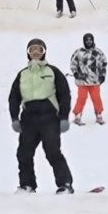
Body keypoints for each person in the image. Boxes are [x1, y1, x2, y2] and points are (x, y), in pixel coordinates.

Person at [8, 38, 74, 194]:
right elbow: (14, 97)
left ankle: (65, 184)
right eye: (32, 50)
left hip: (49, 117)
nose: (36, 53)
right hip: (29, 118)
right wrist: (14, 118)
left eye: (39, 50)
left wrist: (64, 117)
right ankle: (27, 185)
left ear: (44, 52)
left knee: (52, 151)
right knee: (24, 152)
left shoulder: (53, 72)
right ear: (28, 53)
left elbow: (65, 94)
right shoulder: (22, 74)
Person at [69, 33, 108, 125]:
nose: (89, 42)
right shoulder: (78, 52)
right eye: (87, 40)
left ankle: (99, 114)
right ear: (84, 41)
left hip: (95, 80)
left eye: (90, 40)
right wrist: (75, 73)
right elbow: (73, 64)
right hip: (82, 81)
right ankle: (77, 115)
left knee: (96, 98)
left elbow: (104, 64)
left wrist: (103, 75)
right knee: (82, 98)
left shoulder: (98, 52)